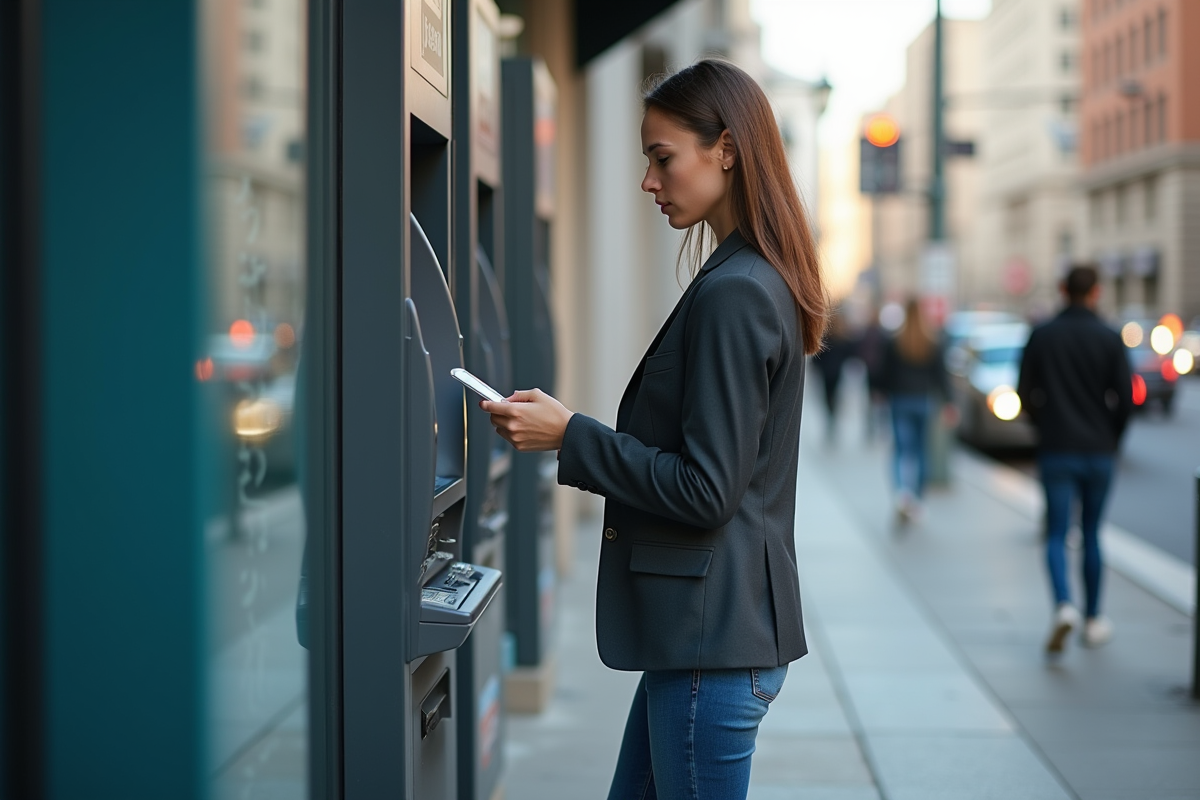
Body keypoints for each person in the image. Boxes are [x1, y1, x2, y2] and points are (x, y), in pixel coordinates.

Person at [481, 59, 827, 799]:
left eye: (661, 156)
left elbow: (707, 489)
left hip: (713, 647)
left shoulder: (736, 292)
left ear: (726, 150)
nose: (648, 180)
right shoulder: (745, 277)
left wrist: (571, 436)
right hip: (707, 642)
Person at [1018, 265, 1132, 655]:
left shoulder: (1043, 334)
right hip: (1098, 451)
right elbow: (1125, 399)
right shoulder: (1109, 336)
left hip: (1057, 448)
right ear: (1096, 292)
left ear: (1062, 289)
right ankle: (1094, 617)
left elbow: (1024, 392)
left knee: (1056, 532)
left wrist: (1044, 425)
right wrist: (1112, 438)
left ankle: (1064, 604)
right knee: (1093, 534)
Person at [880, 297, 953, 523]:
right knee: (922, 451)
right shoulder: (932, 341)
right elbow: (941, 375)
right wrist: (949, 402)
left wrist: (881, 394)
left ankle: (903, 493)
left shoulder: (894, 341)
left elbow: (884, 373)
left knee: (902, 450)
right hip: (924, 401)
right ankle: (919, 500)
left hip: (899, 400)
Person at [812, 309, 855, 446]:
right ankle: (832, 416)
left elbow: (817, 358)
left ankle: (831, 416)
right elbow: (849, 354)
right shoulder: (842, 339)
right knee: (834, 396)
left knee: (828, 396)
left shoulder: (827, 339)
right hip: (836, 372)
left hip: (827, 372)